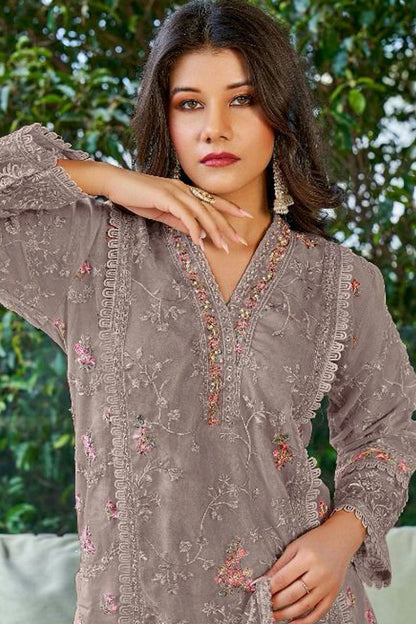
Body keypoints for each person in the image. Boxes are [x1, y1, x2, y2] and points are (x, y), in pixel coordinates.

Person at [0, 0, 415, 622]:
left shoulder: (340, 282)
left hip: (292, 606)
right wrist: (111, 180)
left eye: (242, 100)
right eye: (189, 104)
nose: (214, 129)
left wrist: (341, 536)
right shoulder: (94, 249)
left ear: (280, 113)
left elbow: (387, 431)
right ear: (164, 118)